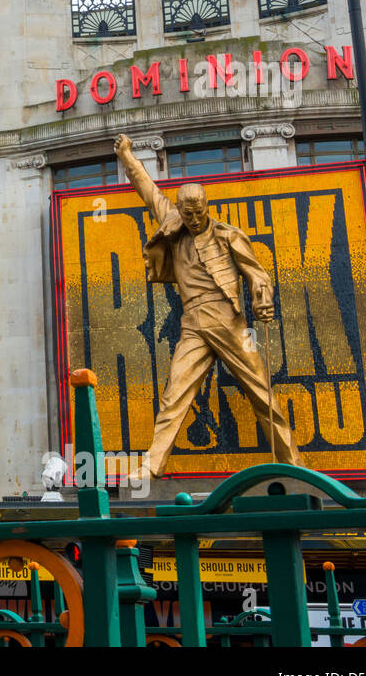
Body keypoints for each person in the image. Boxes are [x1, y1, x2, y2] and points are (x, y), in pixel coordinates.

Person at [114, 134, 302, 477]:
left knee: (260, 390)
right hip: (194, 324)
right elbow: (146, 187)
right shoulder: (173, 225)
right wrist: (127, 155)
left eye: (199, 212)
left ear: (206, 207)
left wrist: (262, 298)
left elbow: (257, 275)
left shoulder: (228, 235)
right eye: (188, 214)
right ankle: (152, 466)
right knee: (175, 394)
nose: (195, 218)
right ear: (181, 212)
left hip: (230, 321)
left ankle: (296, 465)